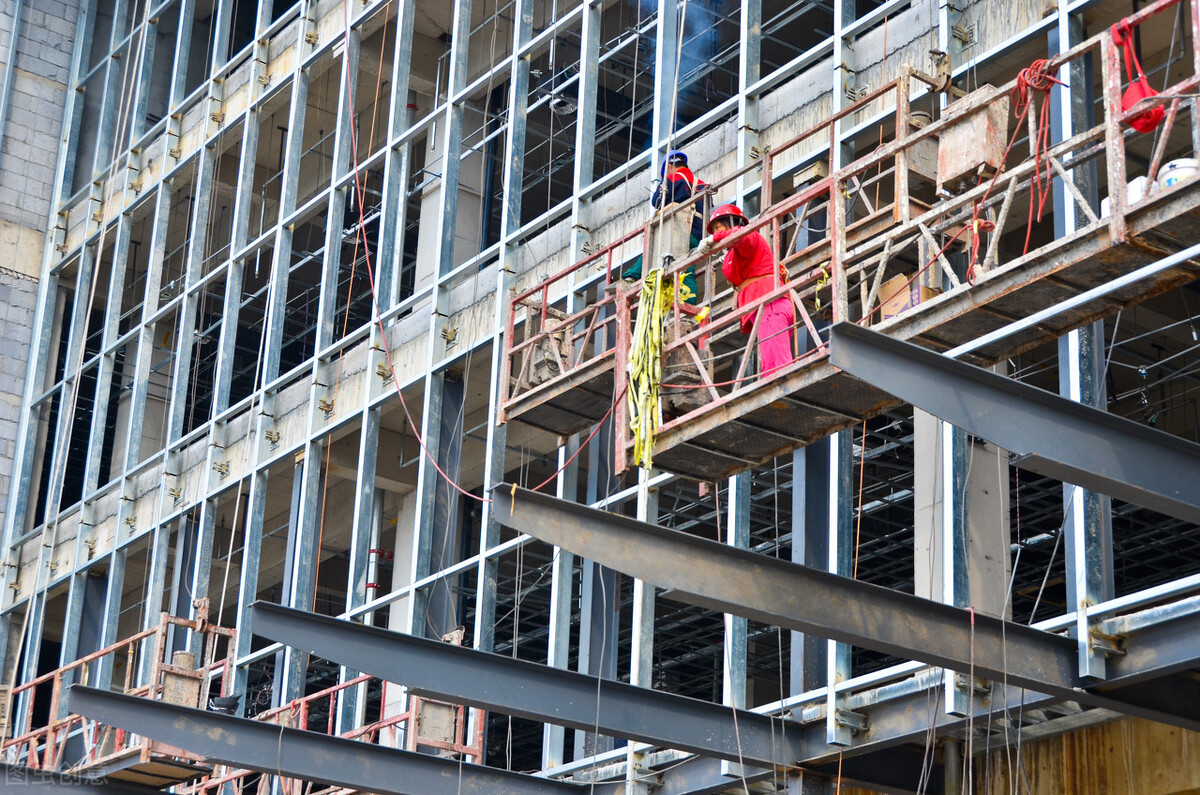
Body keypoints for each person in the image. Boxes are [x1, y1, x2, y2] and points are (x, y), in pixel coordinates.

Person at [696, 203, 796, 374]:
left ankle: (780, 383)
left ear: (732, 223)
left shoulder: (751, 236)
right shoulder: (733, 255)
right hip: (761, 304)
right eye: (714, 231)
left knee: (777, 361)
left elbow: (741, 237)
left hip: (770, 301)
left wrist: (716, 238)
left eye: (718, 227)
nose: (716, 233)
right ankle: (773, 383)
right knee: (769, 357)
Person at [621, 151, 708, 303]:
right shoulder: (701, 184)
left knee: (654, 249)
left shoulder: (674, 177)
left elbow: (657, 201)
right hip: (697, 233)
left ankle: (631, 276)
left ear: (669, 166)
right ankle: (688, 308)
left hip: (680, 229)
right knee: (687, 270)